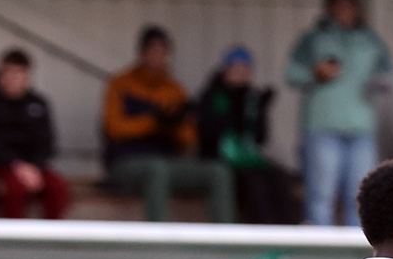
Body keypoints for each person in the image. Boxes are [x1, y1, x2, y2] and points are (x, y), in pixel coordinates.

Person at [286, 0, 392, 227]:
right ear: (329, 8)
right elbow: (291, 74)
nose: (343, 11)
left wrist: (379, 84)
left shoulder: (371, 41)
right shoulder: (313, 38)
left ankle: (355, 257)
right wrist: (315, 74)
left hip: (361, 127)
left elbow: (389, 75)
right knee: (321, 196)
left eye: (348, 6)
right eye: (338, 6)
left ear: (357, 9)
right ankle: (320, 256)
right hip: (323, 125)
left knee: (360, 197)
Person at [103, 26, 233, 223]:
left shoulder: (174, 90)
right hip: (127, 162)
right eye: (154, 51)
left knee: (218, 172)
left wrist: (175, 125)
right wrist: (154, 122)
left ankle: (227, 242)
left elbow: (188, 140)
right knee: (157, 170)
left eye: (163, 52)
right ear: (143, 53)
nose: (159, 57)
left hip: (167, 161)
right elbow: (114, 128)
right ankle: (163, 245)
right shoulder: (120, 84)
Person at [196, 46, 299, 225]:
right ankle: (264, 232)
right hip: (220, 160)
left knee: (279, 177)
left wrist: (260, 111)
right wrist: (236, 114)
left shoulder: (251, 99)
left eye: (245, 71)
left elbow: (260, 139)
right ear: (225, 71)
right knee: (255, 183)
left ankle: (290, 232)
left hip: (249, 159)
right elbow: (209, 134)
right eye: (236, 70)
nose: (241, 76)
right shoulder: (211, 96)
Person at [0, 48, 68, 219]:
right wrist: (15, 164)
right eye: (8, 74)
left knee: (57, 186)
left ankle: (53, 240)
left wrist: (34, 166)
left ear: (27, 77)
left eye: (17, 74)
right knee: (13, 188)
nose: (12, 79)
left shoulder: (37, 103)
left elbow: (47, 141)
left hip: (33, 167)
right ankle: (12, 242)